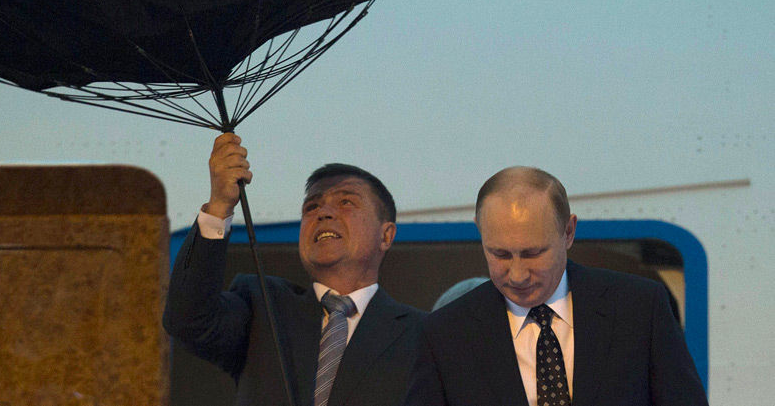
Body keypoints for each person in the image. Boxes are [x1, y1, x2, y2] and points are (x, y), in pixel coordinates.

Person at [405, 166, 708, 406]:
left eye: (533, 253)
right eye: (500, 254)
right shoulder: (444, 334)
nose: (517, 275)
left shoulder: (639, 309)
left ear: (569, 232)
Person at [163, 133, 423, 406]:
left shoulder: (424, 335)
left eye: (346, 202)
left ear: (386, 235)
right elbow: (187, 320)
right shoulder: (263, 307)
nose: (323, 212)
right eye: (312, 206)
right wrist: (219, 206)